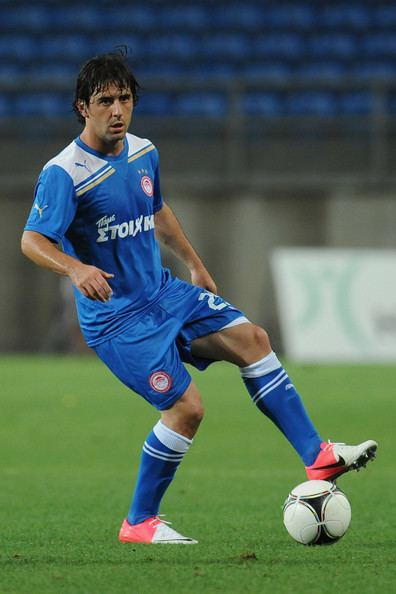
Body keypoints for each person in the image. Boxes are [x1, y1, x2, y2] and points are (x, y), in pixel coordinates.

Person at [21, 51, 377, 545]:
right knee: (186, 409)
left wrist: (195, 263)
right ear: (83, 106)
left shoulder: (144, 151)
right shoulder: (65, 172)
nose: (118, 110)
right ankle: (139, 522)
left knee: (253, 339)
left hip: (165, 294)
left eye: (125, 99)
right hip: (118, 322)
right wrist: (76, 267)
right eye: (105, 101)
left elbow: (158, 210)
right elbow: (32, 240)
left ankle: (317, 457)